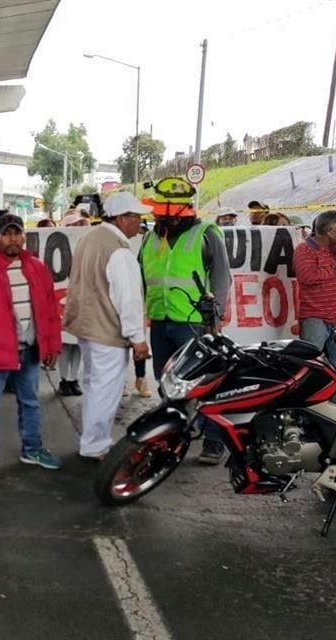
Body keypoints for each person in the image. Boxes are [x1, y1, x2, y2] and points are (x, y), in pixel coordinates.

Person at [0, 213, 64, 478]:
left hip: (30, 352)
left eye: (17, 233)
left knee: (30, 401)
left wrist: (52, 345)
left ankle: (32, 449)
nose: (13, 239)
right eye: (7, 234)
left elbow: (50, 312)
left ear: (24, 236)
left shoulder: (38, 269)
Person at [140, 177, 231, 464]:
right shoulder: (151, 237)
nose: (154, 213)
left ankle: (214, 441)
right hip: (160, 320)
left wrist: (215, 317)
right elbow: (144, 277)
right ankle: (174, 433)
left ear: (176, 211)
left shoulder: (205, 234)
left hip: (193, 322)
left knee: (205, 383)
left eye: (159, 209)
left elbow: (221, 278)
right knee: (168, 383)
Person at [64, 192, 151, 460]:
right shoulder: (119, 251)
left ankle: (91, 440)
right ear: (122, 218)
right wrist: (137, 338)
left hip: (87, 326)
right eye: (136, 217)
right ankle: (96, 445)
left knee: (93, 385)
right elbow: (127, 299)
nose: (140, 222)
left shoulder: (90, 238)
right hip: (107, 330)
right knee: (105, 389)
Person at [293, 210, 336, 371]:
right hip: (316, 317)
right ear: (330, 230)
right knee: (309, 364)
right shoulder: (304, 249)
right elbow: (307, 277)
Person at [57, 210, 89, 395]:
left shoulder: (86, 246)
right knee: (64, 344)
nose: (78, 228)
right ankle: (64, 379)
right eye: (74, 225)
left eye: (80, 224)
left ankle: (73, 378)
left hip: (81, 299)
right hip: (61, 299)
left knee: (77, 344)